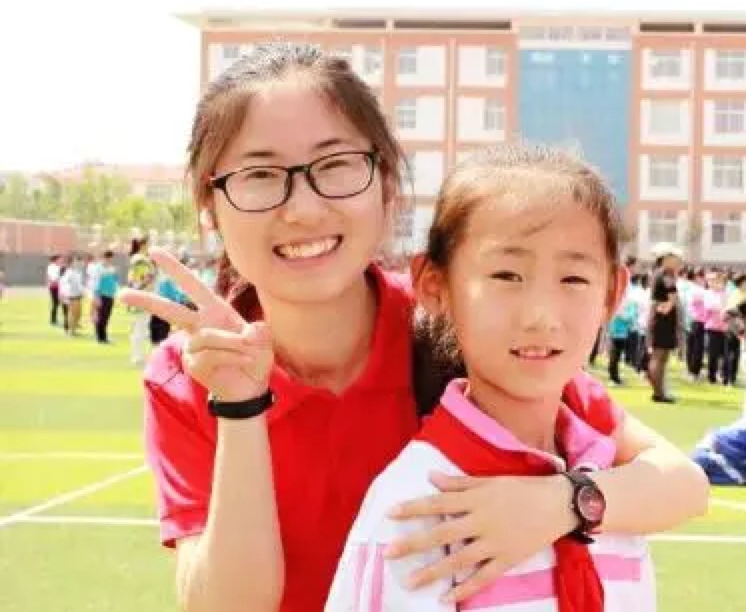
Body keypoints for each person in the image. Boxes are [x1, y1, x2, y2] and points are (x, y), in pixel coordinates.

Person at [120, 42, 708, 612]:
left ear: (386, 183)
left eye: (336, 165)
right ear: (209, 206)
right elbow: (230, 605)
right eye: (260, 175)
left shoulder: (458, 323)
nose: (303, 209)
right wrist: (240, 407)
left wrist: (565, 502)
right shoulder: (189, 374)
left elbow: (680, 482)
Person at [326, 144, 656, 612]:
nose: (541, 316)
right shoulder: (420, 505)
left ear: (612, 293)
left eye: (573, 279)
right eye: (506, 275)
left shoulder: (616, 488)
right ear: (435, 285)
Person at [646, 244, 684, 403]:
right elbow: (672, 296)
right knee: (660, 356)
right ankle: (659, 393)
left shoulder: (657, 273)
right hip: (663, 320)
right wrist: (669, 305)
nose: (678, 262)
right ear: (666, 258)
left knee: (659, 356)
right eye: (675, 258)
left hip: (659, 317)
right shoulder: (666, 274)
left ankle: (659, 391)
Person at [127, 237, 156, 364]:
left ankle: (139, 355)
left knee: (141, 327)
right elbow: (141, 279)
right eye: (149, 244)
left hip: (142, 295)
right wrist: (141, 291)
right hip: (142, 296)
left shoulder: (140, 259)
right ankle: (137, 356)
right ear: (143, 245)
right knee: (140, 327)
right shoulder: (140, 259)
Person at [93, 250, 119, 344]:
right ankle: (100, 337)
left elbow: (115, 281)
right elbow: (95, 284)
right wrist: (97, 297)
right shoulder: (98, 268)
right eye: (108, 258)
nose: (109, 260)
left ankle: (104, 336)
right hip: (102, 295)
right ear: (104, 258)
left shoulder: (112, 268)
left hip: (110, 295)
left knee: (106, 317)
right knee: (101, 316)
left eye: (110, 258)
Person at [59, 254, 84, 336]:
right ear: (71, 263)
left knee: (78, 313)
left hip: (78, 295)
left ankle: (73, 329)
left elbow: (79, 284)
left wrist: (82, 291)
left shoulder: (77, 272)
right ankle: (71, 331)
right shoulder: (68, 272)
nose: (77, 263)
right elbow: (63, 283)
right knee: (72, 313)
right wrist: (63, 295)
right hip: (71, 295)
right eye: (75, 261)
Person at [46, 254, 62, 326]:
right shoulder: (52, 267)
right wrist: (54, 281)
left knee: (57, 303)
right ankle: (53, 320)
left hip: (57, 286)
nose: (60, 260)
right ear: (55, 260)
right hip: (54, 286)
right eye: (59, 259)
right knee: (55, 303)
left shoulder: (57, 267)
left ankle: (54, 319)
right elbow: (51, 277)